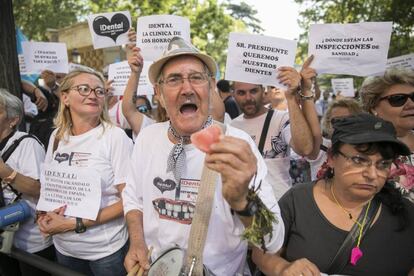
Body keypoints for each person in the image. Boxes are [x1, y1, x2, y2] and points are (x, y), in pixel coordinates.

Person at [122, 37, 284, 275]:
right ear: (158, 93)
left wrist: (243, 202)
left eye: (196, 78)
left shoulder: (236, 145)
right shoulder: (147, 138)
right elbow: (133, 198)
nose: (187, 88)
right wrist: (136, 242)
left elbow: (272, 241)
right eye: (174, 79)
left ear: (211, 87)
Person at [252, 113, 414, 275]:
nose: (372, 174)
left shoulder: (406, 213)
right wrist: (283, 268)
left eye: (383, 164)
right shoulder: (298, 200)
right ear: (331, 158)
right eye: (358, 160)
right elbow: (261, 252)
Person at [37, 68, 132, 276]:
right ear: (65, 97)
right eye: (83, 89)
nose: (93, 94)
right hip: (64, 248)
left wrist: (76, 224)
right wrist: (43, 214)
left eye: (99, 91)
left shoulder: (114, 137)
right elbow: (50, 185)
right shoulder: (57, 137)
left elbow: (130, 200)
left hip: (105, 252)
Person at [230, 56, 321, 199]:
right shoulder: (231, 127)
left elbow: (305, 149)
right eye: (241, 93)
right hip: (244, 208)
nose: (248, 98)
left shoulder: (281, 119)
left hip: (280, 205)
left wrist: (291, 98)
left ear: (263, 91)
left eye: (253, 91)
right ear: (233, 94)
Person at [0, 89, 54, 276]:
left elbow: (39, 189)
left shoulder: (27, 144)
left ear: (13, 120)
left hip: (30, 241)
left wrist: (5, 171)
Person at [359, 68, 414, 202]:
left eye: (413, 97)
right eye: (398, 99)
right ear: (373, 108)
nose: (411, 104)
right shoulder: (359, 149)